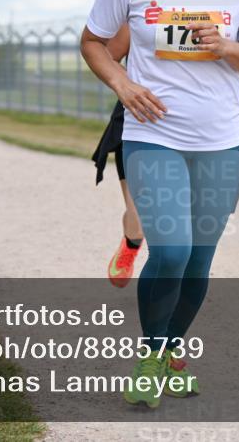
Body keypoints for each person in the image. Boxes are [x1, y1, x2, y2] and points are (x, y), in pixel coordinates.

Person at [81, 0, 239, 408]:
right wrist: (122, 83)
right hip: (153, 133)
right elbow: (94, 41)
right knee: (170, 251)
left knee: (199, 263)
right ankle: (150, 354)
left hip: (220, 139)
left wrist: (225, 48)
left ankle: (168, 351)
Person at [91, 24, 145, 287]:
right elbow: (107, 56)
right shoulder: (141, 1)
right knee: (140, 215)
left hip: (195, 122)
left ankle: (168, 278)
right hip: (138, 115)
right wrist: (131, 86)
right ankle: (132, 242)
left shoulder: (215, 3)